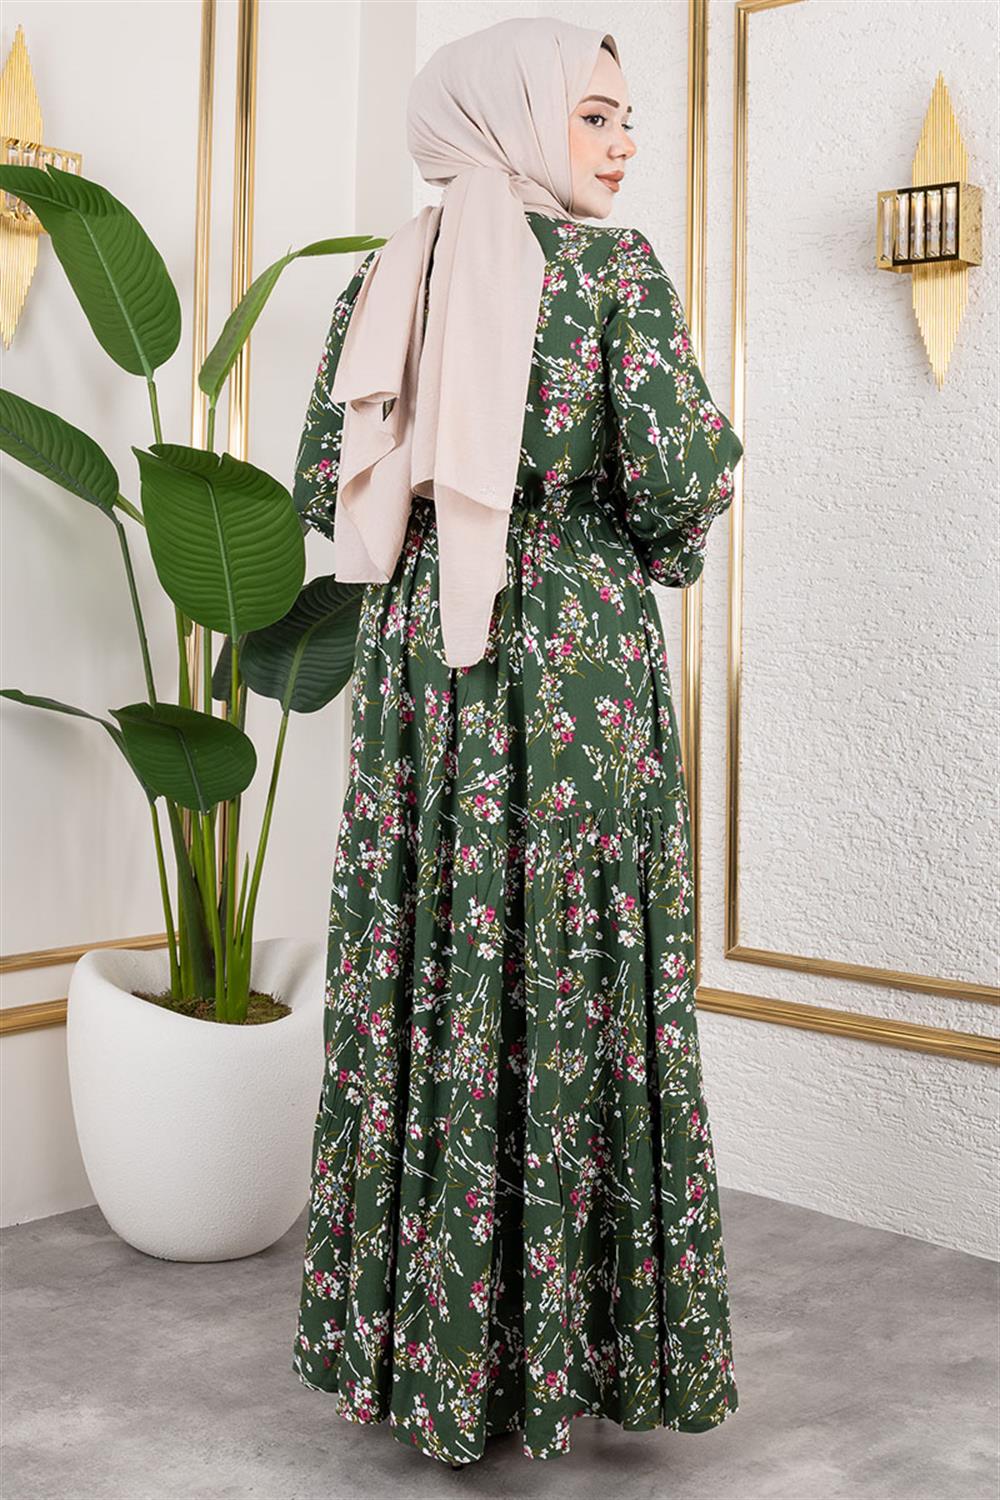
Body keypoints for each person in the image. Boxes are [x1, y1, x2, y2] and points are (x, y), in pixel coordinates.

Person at [290, 15, 744, 1469]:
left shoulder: (386, 276)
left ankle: (427, 1358)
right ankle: (573, 1350)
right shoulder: (613, 276)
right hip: (575, 669)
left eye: (627, 118)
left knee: (433, 956)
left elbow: (326, 483)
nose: (624, 143)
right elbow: (678, 491)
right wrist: (598, 535)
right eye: (596, 116)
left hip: (424, 671)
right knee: (573, 962)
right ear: (517, 118)